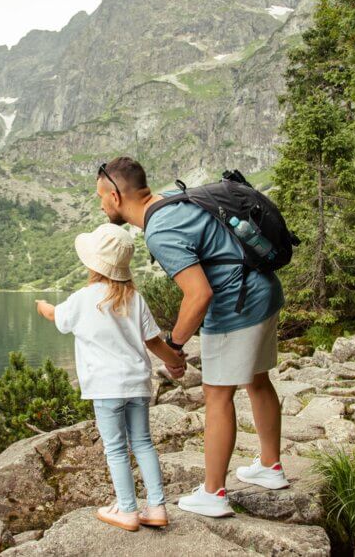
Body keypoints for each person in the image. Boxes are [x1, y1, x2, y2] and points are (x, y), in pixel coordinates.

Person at [94, 157, 288, 519]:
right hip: (263, 288)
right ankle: (270, 466)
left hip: (238, 304)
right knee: (257, 379)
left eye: (101, 197)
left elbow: (198, 295)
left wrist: (175, 347)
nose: (100, 204)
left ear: (117, 196)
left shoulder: (159, 229)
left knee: (216, 395)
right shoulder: (171, 199)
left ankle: (214, 493)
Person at [35, 223, 188, 531]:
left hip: (105, 388)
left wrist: (43, 307)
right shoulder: (135, 298)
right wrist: (175, 362)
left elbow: (57, 318)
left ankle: (128, 510)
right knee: (143, 443)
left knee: (116, 448)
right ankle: (156, 507)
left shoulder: (82, 298)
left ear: (92, 263)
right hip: (137, 384)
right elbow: (154, 342)